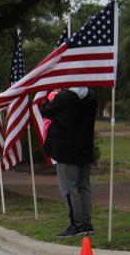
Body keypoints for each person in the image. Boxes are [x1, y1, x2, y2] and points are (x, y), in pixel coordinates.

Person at [40, 87, 98, 237]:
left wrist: (48, 100)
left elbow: (47, 111)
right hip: (84, 148)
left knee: (68, 188)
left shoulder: (64, 97)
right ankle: (86, 222)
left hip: (66, 150)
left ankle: (77, 224)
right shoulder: (91, 96)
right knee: (84, 187)